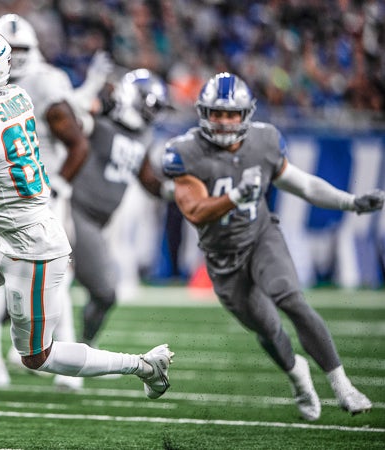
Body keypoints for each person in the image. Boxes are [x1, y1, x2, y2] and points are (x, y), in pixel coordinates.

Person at [0, 25, 174, 444]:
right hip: (6, 231)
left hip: (30, 246)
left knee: (38, 355)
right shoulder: (18, 96)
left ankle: (143, 366)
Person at [162, 72, 382, 421]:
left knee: (290, 298)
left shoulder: (264, 141)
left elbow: (304, 185)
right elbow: (195, 211)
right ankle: (299, 377)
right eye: (216, 113)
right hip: (222, 258)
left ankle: (342, 385)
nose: (223, 121)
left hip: (261, 235)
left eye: (231, 114)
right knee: (268, 330)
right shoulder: (184, 151)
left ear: (245, 114)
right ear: (203, 113)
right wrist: (234, 196)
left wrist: (351, 202)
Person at [0, 13, 97, 391]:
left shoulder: (45, 83)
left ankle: (66, 363)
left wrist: (57, 184)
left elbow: (78, 139)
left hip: (38, 197)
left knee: (57, 277)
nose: (17, 57)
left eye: (22, 49)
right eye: (10, 50)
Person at [71, 68, 173, 346]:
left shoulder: (143, 135)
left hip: (98, 221)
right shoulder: (100, 119)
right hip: (74, 212)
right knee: (103, 292)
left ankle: (78, 349)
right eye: (151, 105)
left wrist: (173, 190)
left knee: (38, 289)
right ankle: (80, 352)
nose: (154, 114)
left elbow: (147, 178)